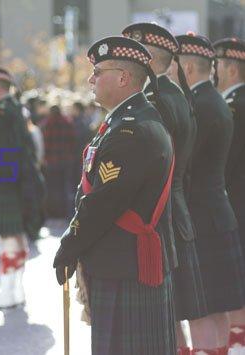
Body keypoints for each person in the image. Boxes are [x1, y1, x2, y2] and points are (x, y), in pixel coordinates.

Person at [53, 36, 177, 354]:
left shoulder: (131, 129)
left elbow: (104, 202)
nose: (91, 79)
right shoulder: (123, 122)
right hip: (119, 260)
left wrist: (70, 245)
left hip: (126, 265)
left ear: (122, 78)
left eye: (98, 71)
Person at [122, 23, 208, 355]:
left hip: (157, 216)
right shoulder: (174, 94)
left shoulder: (155, 99)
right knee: (169, 321)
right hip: (172, 211)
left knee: (159, 324)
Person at [170, 32, 245, 354]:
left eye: (173, 66)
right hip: (217, 210)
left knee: (202, 310)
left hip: (202, 214)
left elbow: (184, 166)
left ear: (186, 67)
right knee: (215, 309)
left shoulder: (201, 105)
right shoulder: (212, 101)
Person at [0, 67, 36, 310]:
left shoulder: (2, 113)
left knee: (9, 236)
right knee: (16, 235)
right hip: (16, 182)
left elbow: (2, 153)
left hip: (5, 183)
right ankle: (15, 289)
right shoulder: (13, 109)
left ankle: (8, 291)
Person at [214, 37, 245, 350]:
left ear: (232, 71)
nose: (216, 72)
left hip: (237, 205)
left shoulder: (233, 108)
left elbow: (222, 165)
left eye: (219, 66)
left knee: (237, 287)